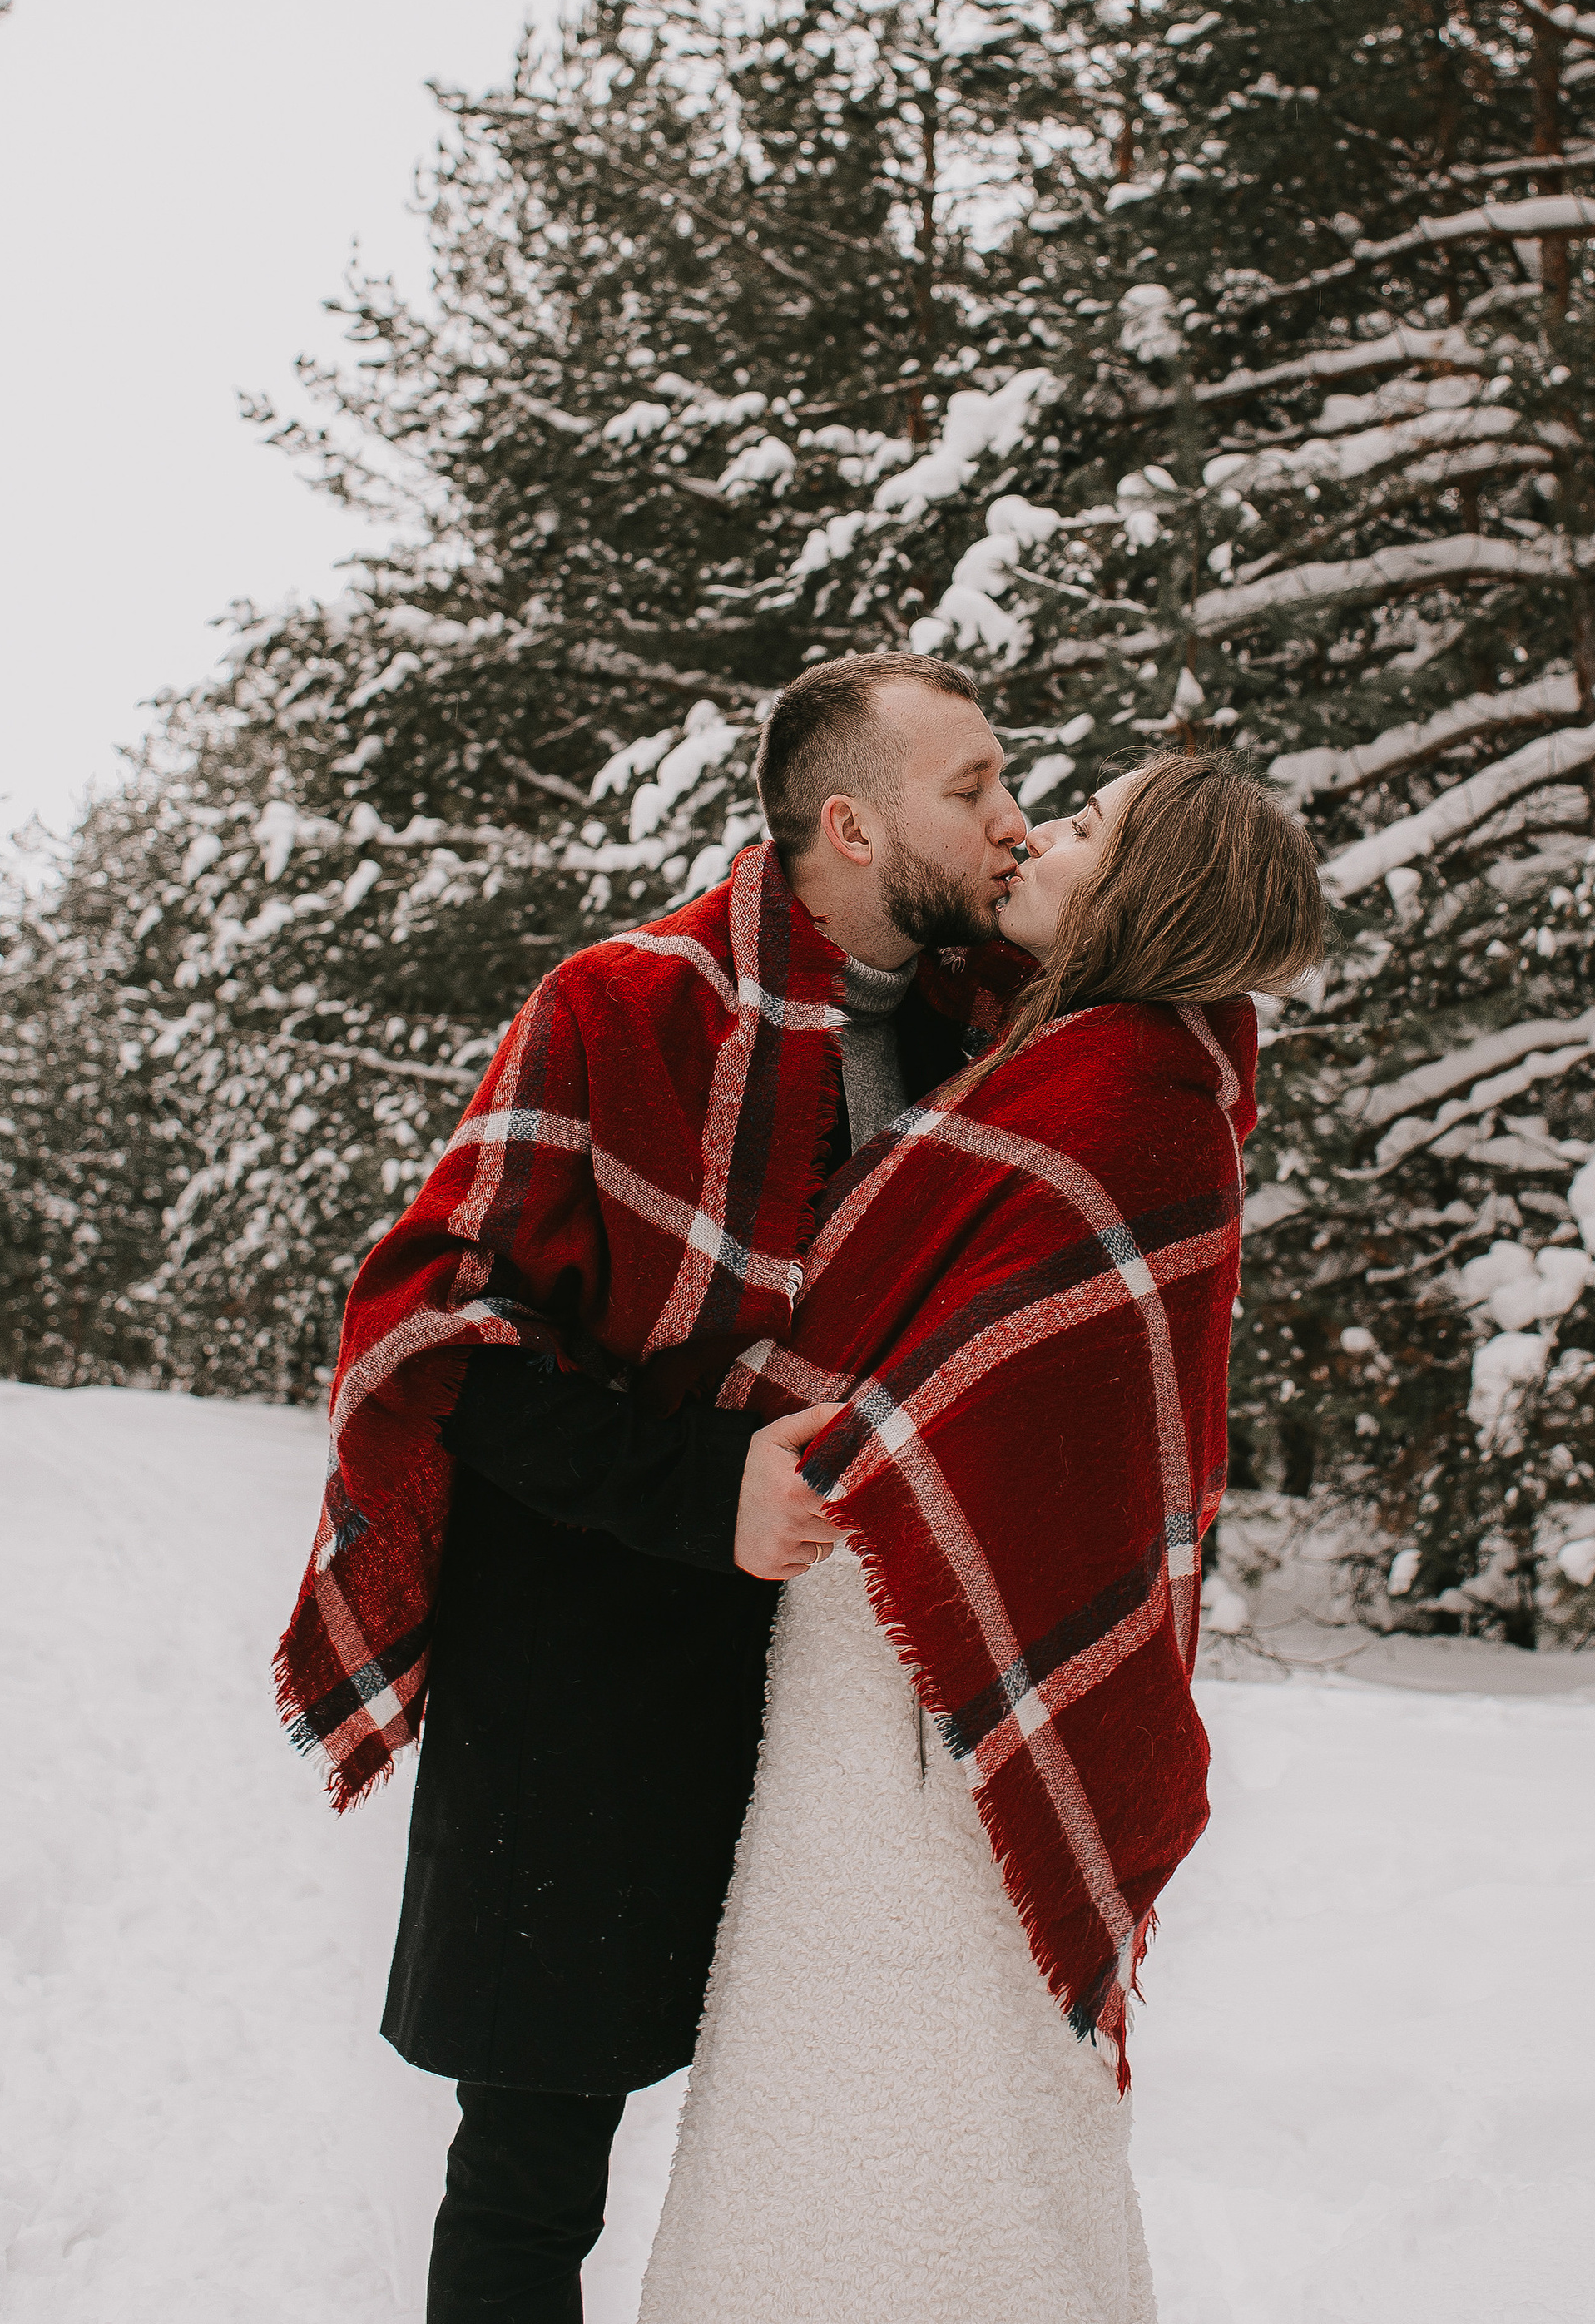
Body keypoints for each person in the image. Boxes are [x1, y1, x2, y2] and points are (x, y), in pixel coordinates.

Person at [272, 652, 1031, 2324]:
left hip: (843, 1680)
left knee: (839, 2143)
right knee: (535, 2168)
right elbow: (441, 1342)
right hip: (588, 1665)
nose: (1012, 820)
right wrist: (703, 1491)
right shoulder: (621, 1009)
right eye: (972, 785)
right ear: (852, 824)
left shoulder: (991, 1032)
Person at [635, 746, 1325, 2324]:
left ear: (1144, 893)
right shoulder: (1068, 1055)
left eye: (1083, 826)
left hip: (943, 1655)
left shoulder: (1128, 1099)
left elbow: (984, 1396)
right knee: (833, 2051)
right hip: (888, 1636)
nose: (1035, 836)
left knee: (926, 2056)